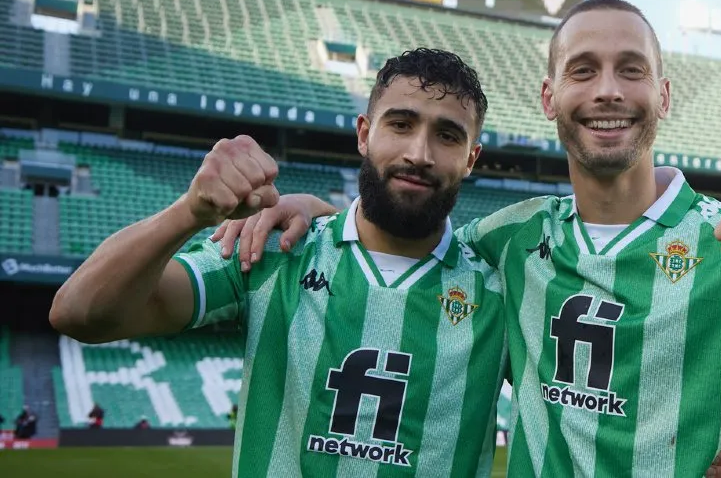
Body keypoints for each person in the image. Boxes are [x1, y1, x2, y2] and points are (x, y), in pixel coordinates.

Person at [220, 0, 721, 477]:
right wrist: (320, 210)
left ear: (662, 96)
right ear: (551, 97)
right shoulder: (506, 243)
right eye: (584, 70)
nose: (607, 89)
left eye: (630, 70)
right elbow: (398, 232)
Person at [50, 48, 507, 476]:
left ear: (471, 158)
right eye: (401, 124)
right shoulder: (270, 249)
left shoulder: (504, 291)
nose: (419, 154)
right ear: (365, 134)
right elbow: (79, 313)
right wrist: (188, 212)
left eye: (447, 136)